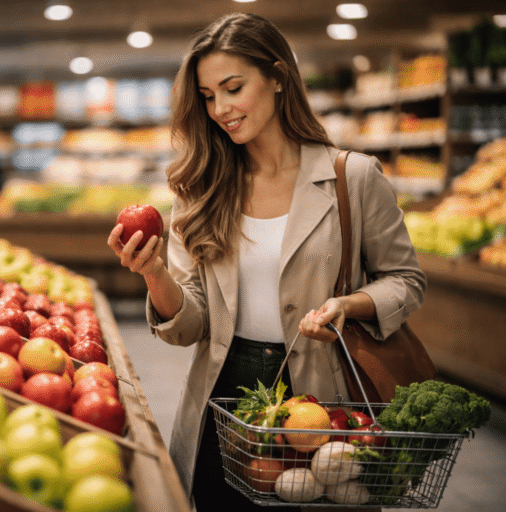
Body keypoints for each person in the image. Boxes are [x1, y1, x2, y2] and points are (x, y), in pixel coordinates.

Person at [107, 12, 426, 510]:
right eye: (208, 96)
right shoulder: (200, 190)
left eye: (233, 88)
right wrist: (153, 274)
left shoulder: (353, 178)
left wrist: (352, 304)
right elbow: (190, 324)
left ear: (278, 76)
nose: (220, 109)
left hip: (326, 403)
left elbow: (405, 280)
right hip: (225, 400)